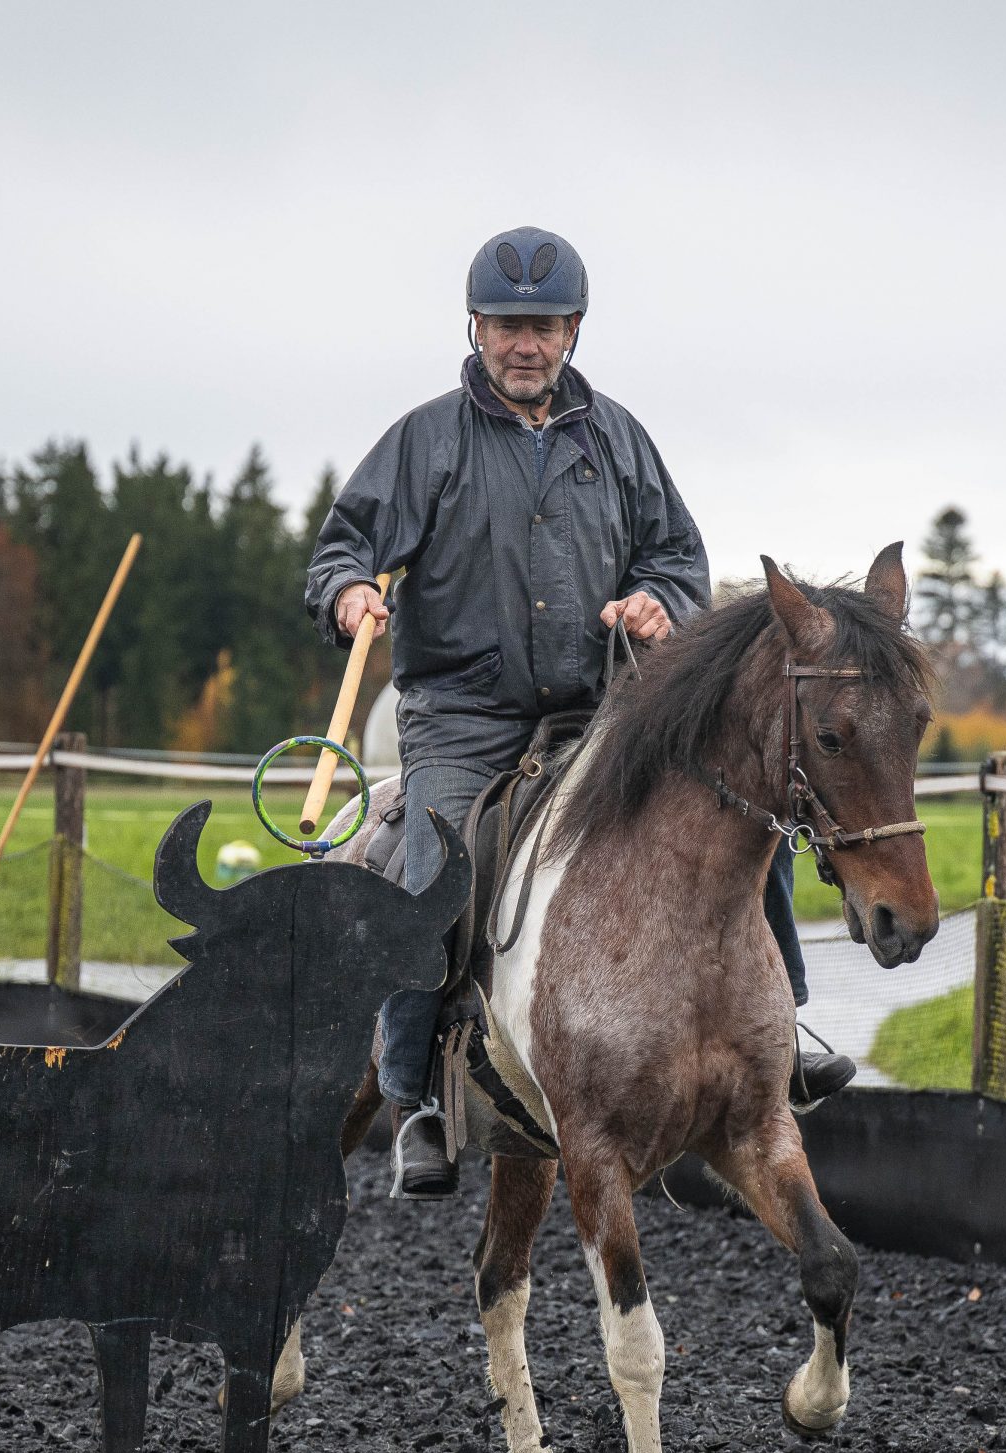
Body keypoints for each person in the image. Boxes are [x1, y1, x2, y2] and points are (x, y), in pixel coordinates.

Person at [304, 226, 855, 1199]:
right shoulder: (425, 440)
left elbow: (678, 557)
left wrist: (658, 602)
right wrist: (349, 591)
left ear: (572, 330)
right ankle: (414, 1098)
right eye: (508, 326)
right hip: (462, 716)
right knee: (433, 864)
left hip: (602, 710)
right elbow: (345, 545)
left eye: (545, 326)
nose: (526, 343)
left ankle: (788, 1033)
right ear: (475, 327)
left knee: (733, 808)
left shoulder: (619, 439)